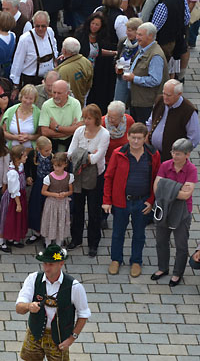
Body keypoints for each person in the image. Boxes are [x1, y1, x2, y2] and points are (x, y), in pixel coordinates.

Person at [103, 122, 161, 277]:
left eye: (139, 138)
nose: (135, 141)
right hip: (121, 201)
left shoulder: (153, 155)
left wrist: (151, 200)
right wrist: (107, 200)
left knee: (139, 234)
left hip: (142, 202)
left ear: (145, 138)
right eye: (133, 137)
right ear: (127, 136)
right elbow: (108, 177)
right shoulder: (118, 153)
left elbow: (157, 179)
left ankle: (136, 261)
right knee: (118, 233)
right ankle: (116, 259)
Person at [151, 138, 196, 287]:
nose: (174, 156)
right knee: (161, 241)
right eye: (173, 152)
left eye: (178, 154)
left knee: (181, 245)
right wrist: (178, 188)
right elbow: (157, 189)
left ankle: (177, 273)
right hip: (164, 208)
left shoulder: (191, 170)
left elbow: (186, 195)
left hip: (182, 211)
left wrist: (166, 187)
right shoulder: (165, 165)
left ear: (187, 155)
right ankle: (163, 268)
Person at [67, 104, 109, 256]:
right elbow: (70, 153)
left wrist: (81, 155)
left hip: (96, 176)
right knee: (77, 209)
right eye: (84, 117)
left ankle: (93, 243)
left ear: (96, 119)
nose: (85, 121)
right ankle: (76, 239)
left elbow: (97, 158)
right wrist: (88, 154)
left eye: (89, 118)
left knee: (94, 211)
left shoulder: (104, 134)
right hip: (78, 175)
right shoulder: (79, 131)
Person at [122, 22, 168, 124]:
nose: (137, 37)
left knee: (142, 128)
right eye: (137, 34)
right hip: (137, 99)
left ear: (150, 36)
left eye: (140, 35)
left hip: (146, 103)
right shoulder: (143, 49)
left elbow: (155, 80)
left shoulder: (155, 56)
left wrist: (134, 78)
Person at [147, 79, 200, 162]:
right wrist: (147, 137)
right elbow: (151, 121)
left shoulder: (189, 111)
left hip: (173, 159)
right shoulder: (160, 100)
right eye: (164, 93)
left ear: (179, 94)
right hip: (153, 153)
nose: (165, 97)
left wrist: (180, 154)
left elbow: (194, 138)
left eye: (168, 95)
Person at [11, 11, 58, 89]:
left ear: (48, 24)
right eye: (37, 26)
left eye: (43, 26)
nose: (40, 29)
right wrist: (15, 85)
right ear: (33, 25)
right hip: (31, 81)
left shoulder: (50, 32)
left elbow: (54, 46)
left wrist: (55, 60)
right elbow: (18, 62)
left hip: (48, 80)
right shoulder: (25, 39)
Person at [0, 145, 29, 251]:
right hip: (13, 199)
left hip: (19, 196)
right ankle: (0, 241)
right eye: (24, 156)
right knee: (7, 219)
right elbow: (13, 190)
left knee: (15, 219)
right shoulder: (13, 173)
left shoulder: (20, 166)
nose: (26, 157)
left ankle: (12, 238)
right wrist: (18, 204)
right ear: (18, 158)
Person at [38, 79, 83, 151]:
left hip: (71, 141)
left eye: (59, 93)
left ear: (67, 93)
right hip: (52, 143)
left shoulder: (75, 103)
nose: (56, 96)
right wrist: (69, 131)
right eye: (54, 92)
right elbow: (45, 131)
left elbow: (79, 128)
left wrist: (57, 128)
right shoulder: (46, 105)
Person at [56, 36, 93, 107]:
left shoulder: (63, 70)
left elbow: (60, 91)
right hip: (82, 100)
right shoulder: (86, 62)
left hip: (67, 106)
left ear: (64, 51)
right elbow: (89, 84)